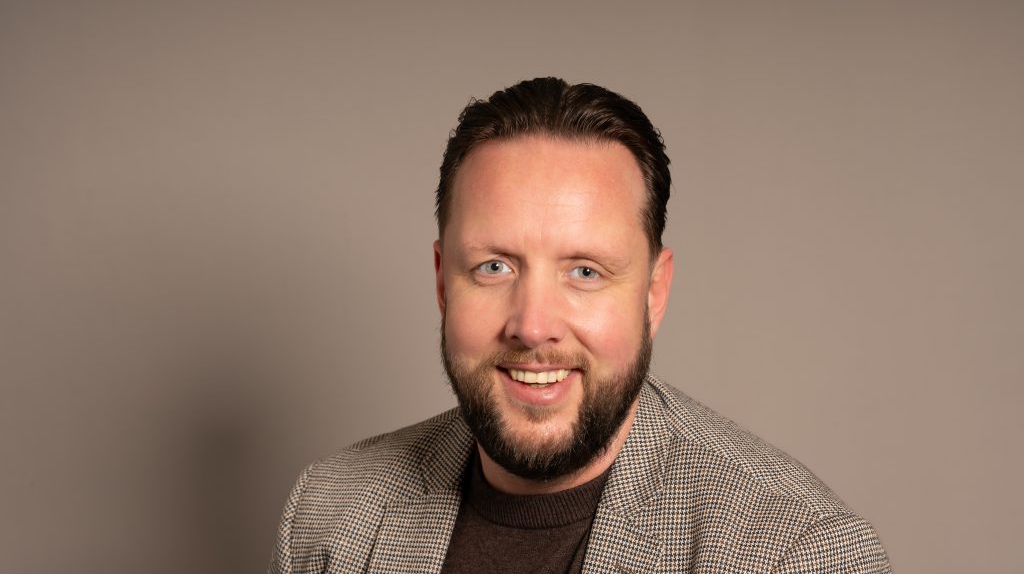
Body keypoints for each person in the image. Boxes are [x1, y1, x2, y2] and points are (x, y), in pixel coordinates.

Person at [268, 77, 890, 573]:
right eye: (493, 266)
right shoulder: (329, 514)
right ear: (442, 282)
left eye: (585, 272)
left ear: (653, 293)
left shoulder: (796, 551)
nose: (533, 326)